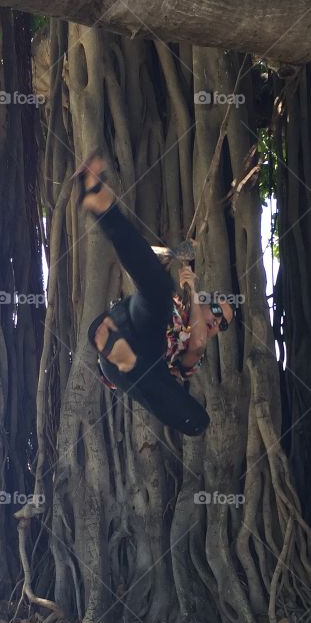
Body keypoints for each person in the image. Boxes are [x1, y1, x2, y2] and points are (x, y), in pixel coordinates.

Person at [76, 153, 235, 436]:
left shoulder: (194, 356)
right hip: (131, 327)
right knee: (158, 290)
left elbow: (197, 340)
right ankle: (102, 207)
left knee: (197, 421)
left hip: (141, 367)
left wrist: (196, 293)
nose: (217, 322)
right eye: (217, 310)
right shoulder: (176, 305)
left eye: (223, 324)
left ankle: (127, 361)